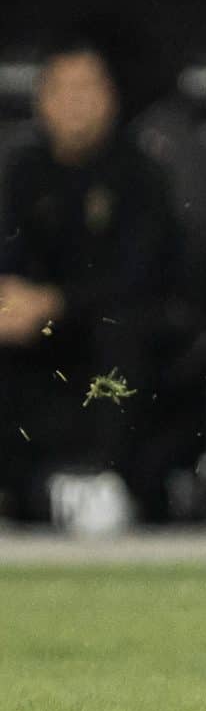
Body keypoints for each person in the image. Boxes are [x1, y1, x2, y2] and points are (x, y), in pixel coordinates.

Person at [0, 37, 181, 523]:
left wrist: (56, 303)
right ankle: (25, 487)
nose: (76, 101)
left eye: (88, 87)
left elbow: (140, 276)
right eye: (63, 88)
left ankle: (103, 481)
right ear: (42, 101)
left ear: (111, 97)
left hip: (109, 327)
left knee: (119, 331)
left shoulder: (140, 175)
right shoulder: (21, 173)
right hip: (35, 334)